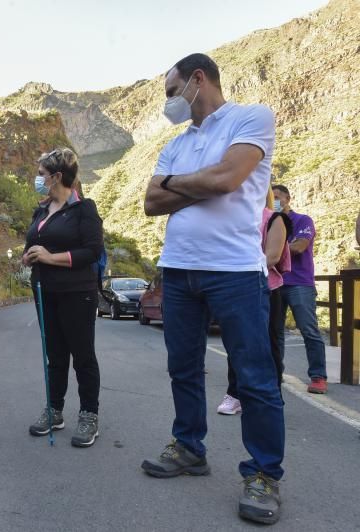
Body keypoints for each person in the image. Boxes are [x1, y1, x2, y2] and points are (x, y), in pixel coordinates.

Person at [141, 53, 285, 525]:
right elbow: (150, 201)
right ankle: (189, 448)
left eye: (171, 91)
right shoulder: (177, 143)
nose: (170, 104)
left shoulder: (251, 117)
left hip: (236, 273)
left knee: (254, 378)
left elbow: (229, 178)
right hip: (178, 271)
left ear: (197, 80)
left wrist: (176, 185)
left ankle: (263, 475)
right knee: (182, 368)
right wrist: (196, 184)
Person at [23, 148, 104, 447]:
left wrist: (50, 256)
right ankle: (54, 411)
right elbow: (34, 244)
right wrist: (28, 256)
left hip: (77, 293)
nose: (38, 179)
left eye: (42, 174)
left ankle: (89, 415)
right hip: (45, 292)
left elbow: (92, 251)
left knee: (82, 356)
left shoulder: (84, 209)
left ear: (57, 177)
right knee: (54, 356)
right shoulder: (41, 211)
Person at [218, 190, 292, 415]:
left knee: (269, 346)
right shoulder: (231, 219)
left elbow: (272, 256)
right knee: (235, 344)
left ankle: (272, 395)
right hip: (235, 290)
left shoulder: (274, 218)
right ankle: (235, 394)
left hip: (266, 290)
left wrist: (240, 271)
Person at [273, 184, 328, 394]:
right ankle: (275, 374)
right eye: (272, 197)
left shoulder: (303, 220)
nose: (276, 200)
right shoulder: (270, 221)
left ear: (288, 198)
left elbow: (300, 246)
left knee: (309, 330)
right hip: (276, 283)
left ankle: (318, 377)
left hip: (299, 283)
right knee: (275, 332)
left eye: (278, 197)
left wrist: (274, 246)